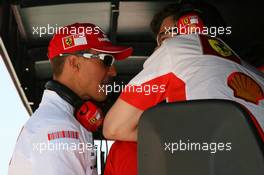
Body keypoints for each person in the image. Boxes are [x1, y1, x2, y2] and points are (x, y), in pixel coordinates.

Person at [103, 2, 264, 175]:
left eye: (168, 35)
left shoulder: (175, 49)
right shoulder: (256, 74)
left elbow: (113, 128)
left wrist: (172, 134)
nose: (160, 45)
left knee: (125, 147)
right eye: (161, 38)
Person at [8, 23, 132, 175]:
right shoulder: (58, 129)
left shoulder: (62, 121)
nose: (113, 71)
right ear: (74, 63)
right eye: (106, 60)